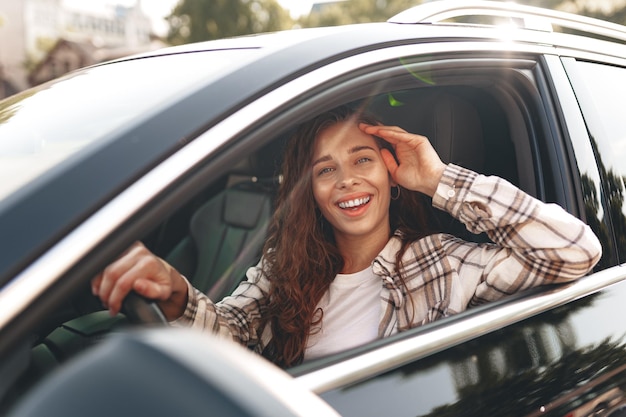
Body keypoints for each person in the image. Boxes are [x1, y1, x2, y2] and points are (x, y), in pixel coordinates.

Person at [92, 105, 602, 368]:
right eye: (326, 169)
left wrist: (439, 179)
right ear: (310, 191)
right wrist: (178, 292)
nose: (347, 180)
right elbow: (231, 338)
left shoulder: (444, 265)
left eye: (362, 159)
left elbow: (574, 251)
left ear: (390, 172)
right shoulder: (283, 268)